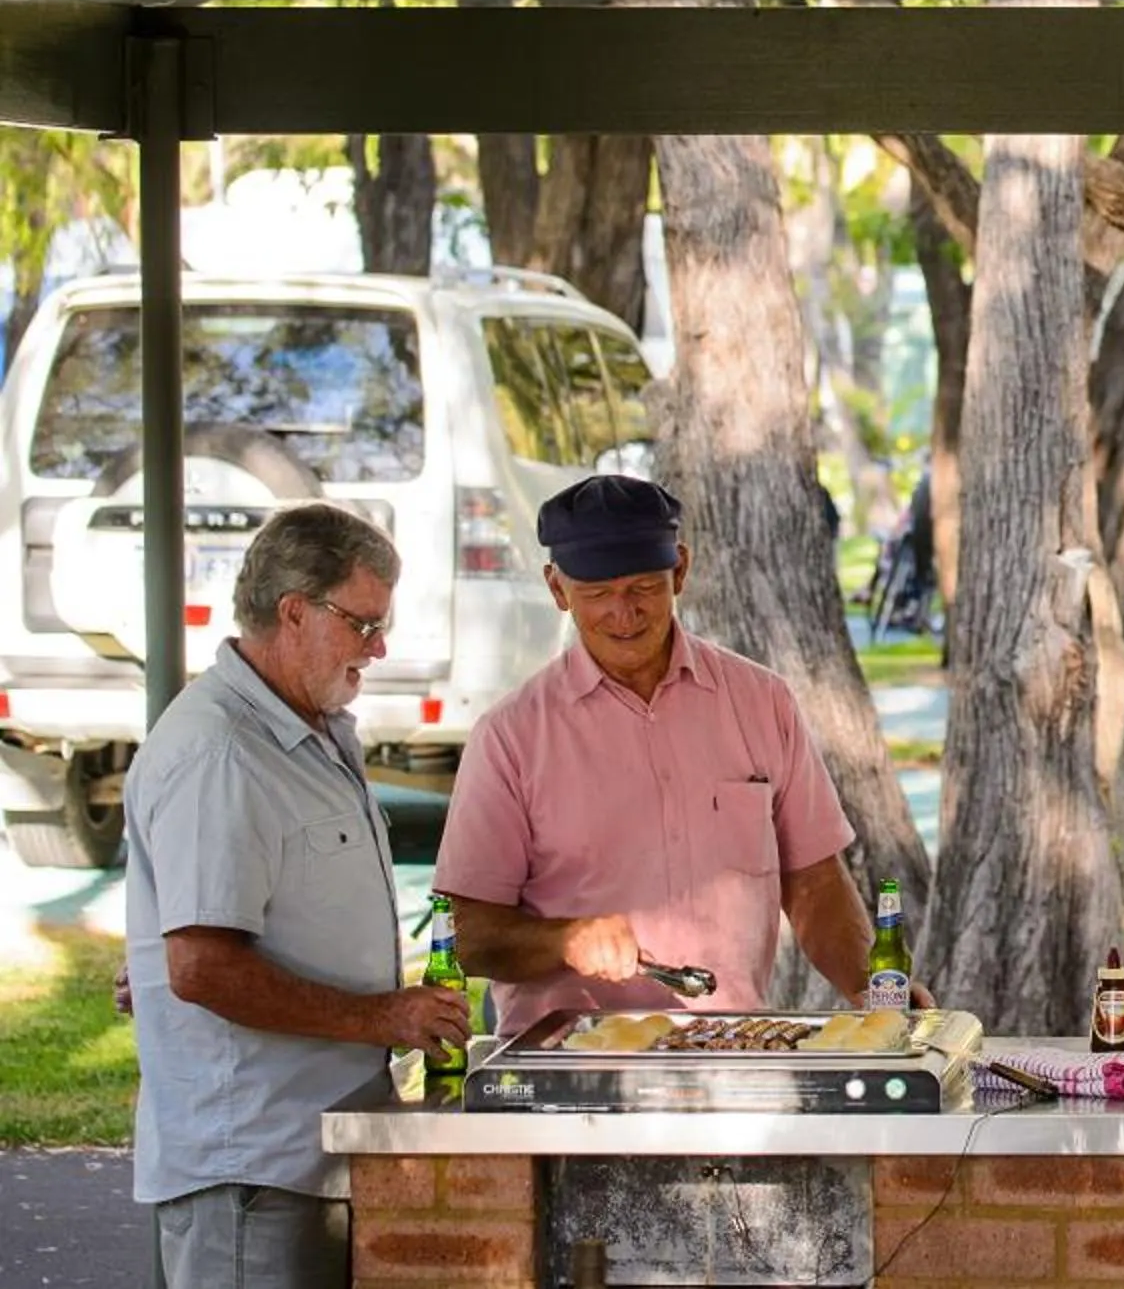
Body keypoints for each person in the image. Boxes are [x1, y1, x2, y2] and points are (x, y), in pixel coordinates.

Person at [123, 502, 473, 1289]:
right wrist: (382, 1016)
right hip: (252, 1170)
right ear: (293, 612)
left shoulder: (304, 726)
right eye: (364, 625)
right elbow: (203, 968)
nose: (379, 650)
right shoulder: (221, 753)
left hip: (310, 1157)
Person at [437, 474, 891, 1032]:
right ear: (557, 589)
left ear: (680, 569)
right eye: (597, 594)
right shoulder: (510, 736)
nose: (623, 614)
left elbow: (815, 882)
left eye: (644, 588)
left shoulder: (761, 700)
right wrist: (564, 941)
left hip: (730, 1048)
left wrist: (874, 993)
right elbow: (464, 934)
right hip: (572, 1068)